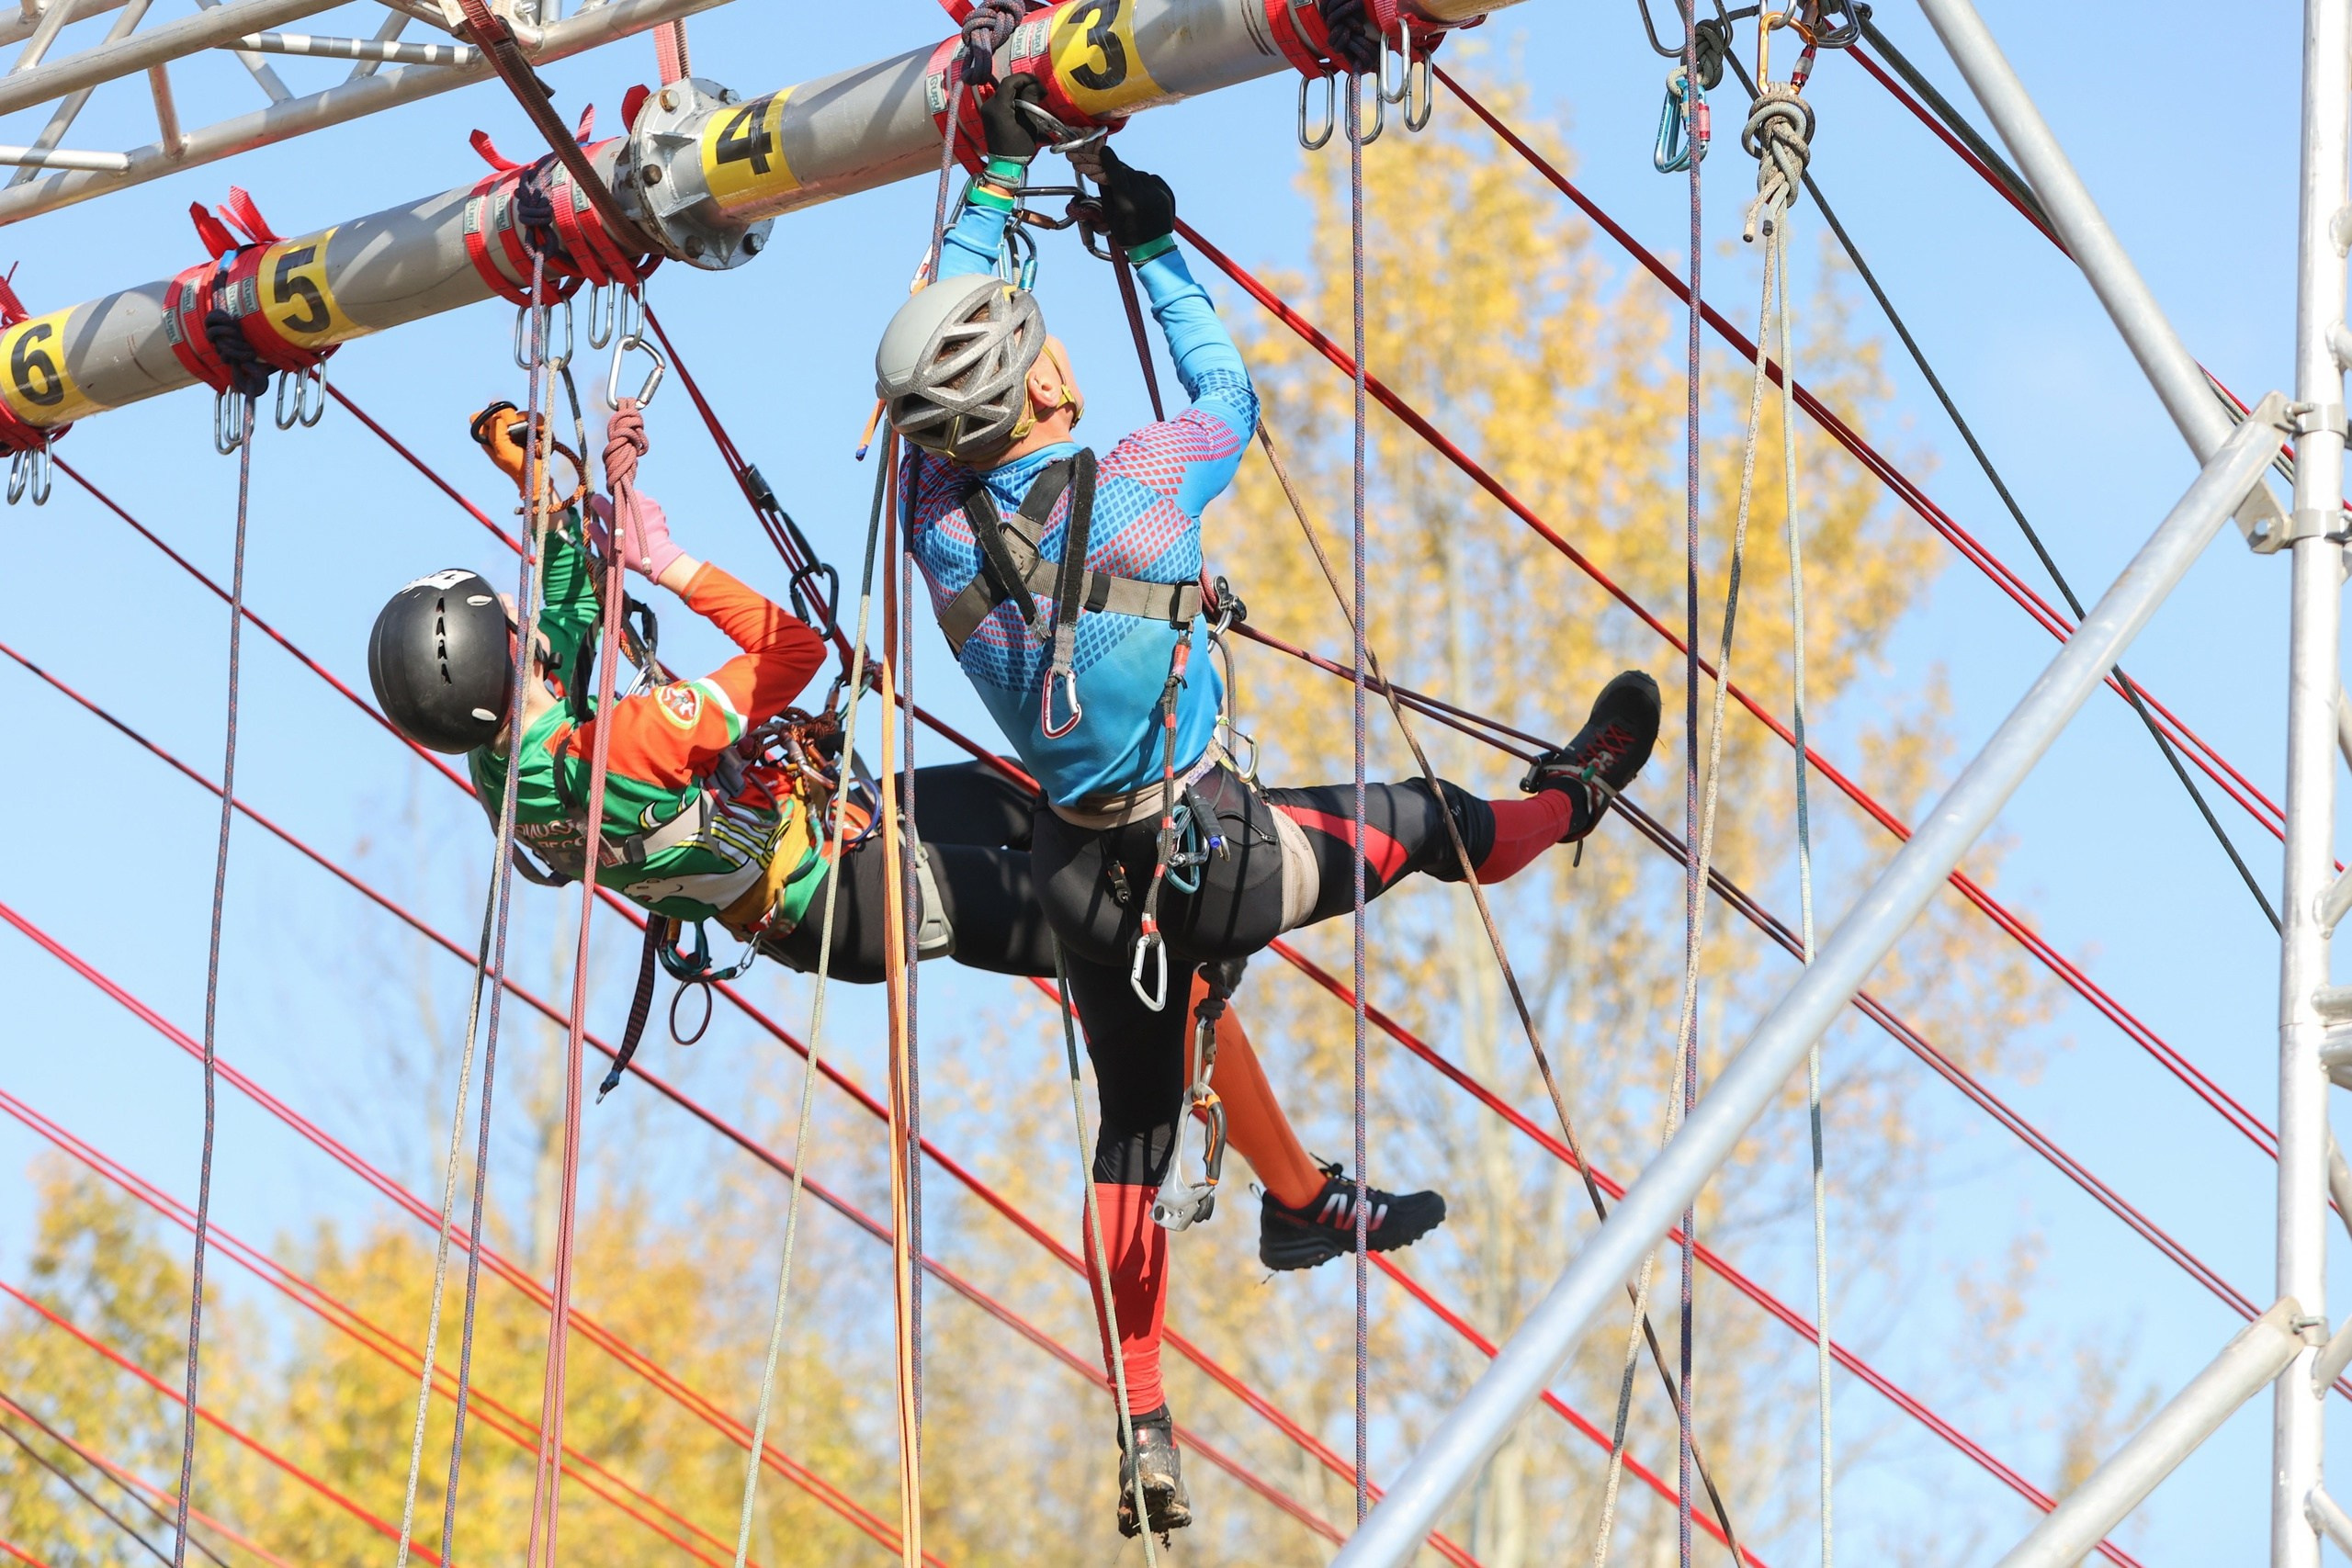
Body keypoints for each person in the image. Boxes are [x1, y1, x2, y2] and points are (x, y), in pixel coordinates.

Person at [874, 74, 1663, 1537]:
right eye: (1042, 350)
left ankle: (1149, 1411)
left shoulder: (926, 515)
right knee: (1419, 826)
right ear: (1044, 388)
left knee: (1130, 1128)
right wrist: (1157, 243)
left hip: (1075, 881)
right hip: (1212, 853)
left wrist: (990, 186)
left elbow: (953, 344)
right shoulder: (1142, 489)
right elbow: (1226, 396)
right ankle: (1574, 801)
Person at [364, 403, 1446, 1266]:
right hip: (847, 894)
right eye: (506, 626)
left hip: (841, 835)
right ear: (498, 664)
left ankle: (1288, 1162)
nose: (527, 629)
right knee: (1129, 957)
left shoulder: (506, 764)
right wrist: (672, 564)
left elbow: (557, 630)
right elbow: (791, 650)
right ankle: (1300, 1199)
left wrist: (552, 501)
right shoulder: (627, 745)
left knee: (1053, 812)